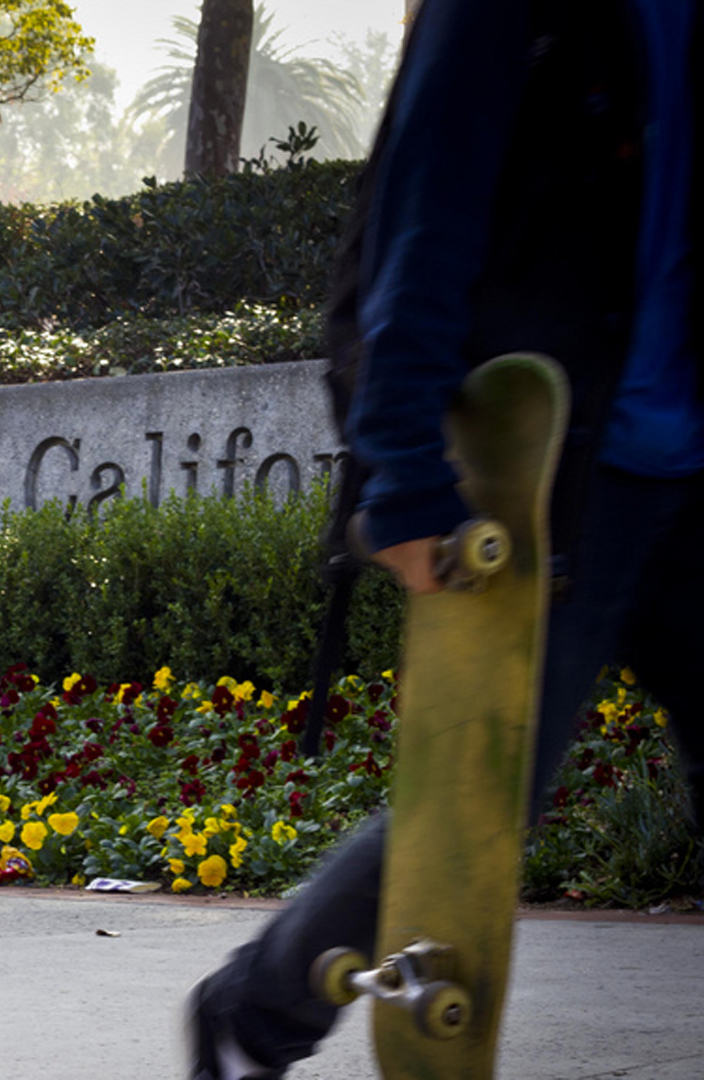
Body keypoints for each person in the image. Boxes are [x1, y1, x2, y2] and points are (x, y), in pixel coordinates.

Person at [186, 0, 704, 1076]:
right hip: (559, 473)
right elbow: (424, 221)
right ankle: (257, 1012)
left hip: (695, 476)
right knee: (479, 801)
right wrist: (405, 479)